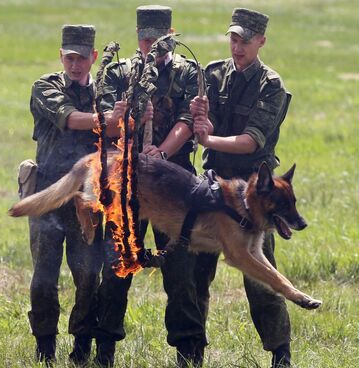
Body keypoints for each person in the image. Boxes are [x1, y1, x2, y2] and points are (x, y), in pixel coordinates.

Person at [93, 5, 203, 367]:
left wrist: (162, 152)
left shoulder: (186, 72)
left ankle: (189, 352)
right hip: (129, 183)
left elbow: (188, 118)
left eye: (159, 41)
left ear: (171, 35)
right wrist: (125, 123)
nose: (153, 47)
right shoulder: (118, 73)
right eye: (146, 40)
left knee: (182, 272)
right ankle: (104, 348)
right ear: (137, 36)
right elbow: (108, 122)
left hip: (174, 182)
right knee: (116, 268)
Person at [190, 8, 295, 368]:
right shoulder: (213, 73)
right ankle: (190, 353)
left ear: (261, 42)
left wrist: (209, 139)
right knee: (195, 274)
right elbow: (200, 125)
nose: (238, 47)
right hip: (215, 186)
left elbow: (252, 142)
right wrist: (199, 119)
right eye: (234, 39)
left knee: (261, 278)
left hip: (254, 194)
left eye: (245, 41)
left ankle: (281, 353)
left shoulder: (271, 85)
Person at [27, 24, 124, 365]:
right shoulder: (46, 86)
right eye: (69, 58)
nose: (75, 64)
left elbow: (118, 130)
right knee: (43, 278)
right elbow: (68, 118)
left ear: (93, 57)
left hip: (88, 199)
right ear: (61, 56)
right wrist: (107, 119)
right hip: (50, 195)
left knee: (87, 276)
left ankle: (81, 343)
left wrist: (120, 118)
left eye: (81, 58)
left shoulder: (105, 92)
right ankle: (44, 345)